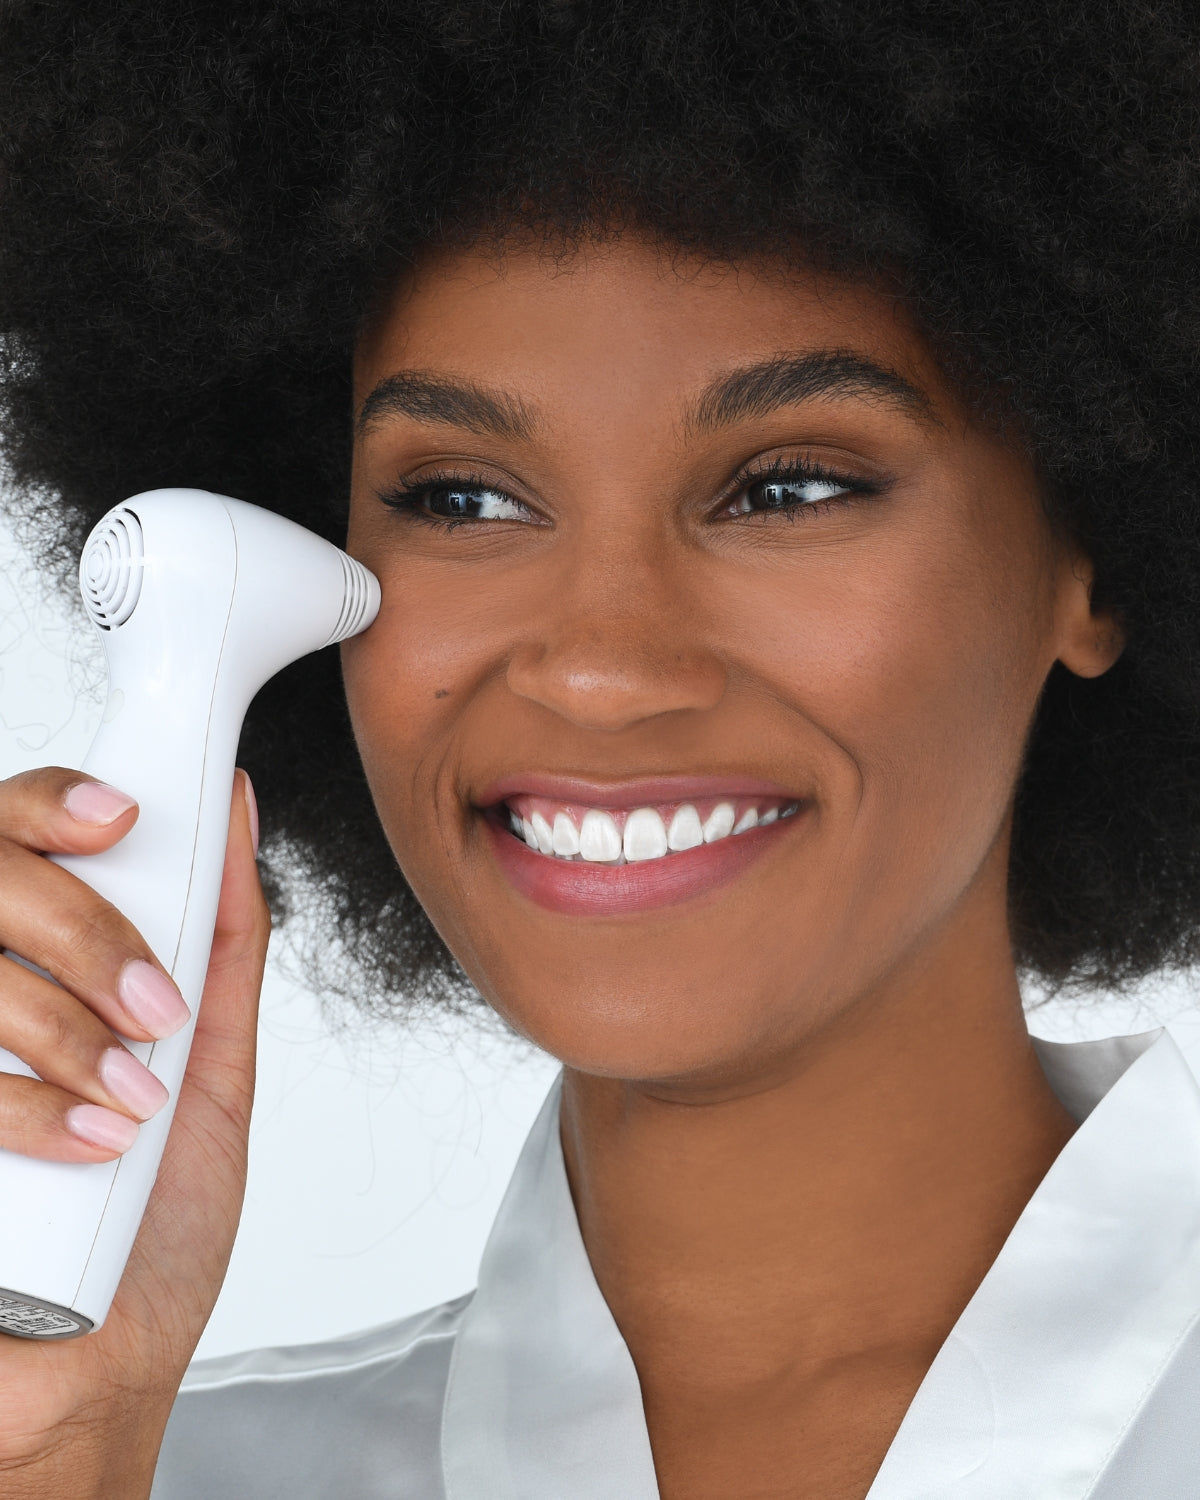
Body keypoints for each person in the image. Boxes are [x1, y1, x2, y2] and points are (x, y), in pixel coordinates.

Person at [0, 2, 1198, 1496]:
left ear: (1098, 554)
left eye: (788, 488)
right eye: (462, 500)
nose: (601, 669)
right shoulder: (149, 1466)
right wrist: (53, 1419)